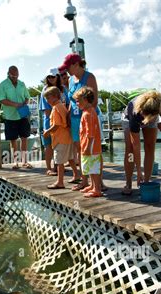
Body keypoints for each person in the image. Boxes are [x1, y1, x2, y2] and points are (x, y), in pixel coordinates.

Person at [58, 53, 106, 191]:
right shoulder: (71, 79)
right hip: (74, 118)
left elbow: (94, 100)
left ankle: (99, 182)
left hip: (88, 116)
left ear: (76, 64)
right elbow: (71, 100)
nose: (66, 70)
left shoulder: (89, 77)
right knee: (80, 150)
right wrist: (67, 116)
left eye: (68, 67)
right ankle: (85, 181)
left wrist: (86, 115)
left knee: (94, 150)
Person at [43, 86, 79, 189]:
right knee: (70, 158)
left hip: (60, 139)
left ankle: (60, 182)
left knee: (59, 162)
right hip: (68, 137)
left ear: (55, 97)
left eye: (48, 98)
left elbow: (56, 125)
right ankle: (76, 174)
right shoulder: (62, 106)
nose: (47, 101)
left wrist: (47, 132)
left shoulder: (55, 108)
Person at [0, 66, 33, 169]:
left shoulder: (22, 84)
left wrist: (24, 103)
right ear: (8, 74)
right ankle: (15, 162)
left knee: (24, 138)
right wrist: (15, 104)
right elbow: (1, 99)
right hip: (10, 116)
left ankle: (25, 161)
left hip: (22, 115)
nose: (15, 77)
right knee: (13, 140)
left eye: (16, 75)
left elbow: (27, 97)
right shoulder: (3, 85)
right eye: (13, 76)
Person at [73, 87, 103, 198]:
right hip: (89, 146)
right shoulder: (88, 112)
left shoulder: (88, 114)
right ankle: (92, 185)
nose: (76, 103)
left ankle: (97, 189)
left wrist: (87, 147)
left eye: (78, 101)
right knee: (90, 167)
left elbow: (90, 133)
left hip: (91, 147)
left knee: (93, 168)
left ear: (85, 100)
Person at [39, 67, 65, 176]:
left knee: (59, 145)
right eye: (48, 77)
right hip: (49, 121)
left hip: (61, 122)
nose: (50, 79)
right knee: (48, 145)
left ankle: (58, 166)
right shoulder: (45, 90)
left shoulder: (63, 89)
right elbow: (46, 110)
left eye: (52, 76)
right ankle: (49, 168)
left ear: (57, 77)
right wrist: (54, 121)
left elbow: (67, 104)